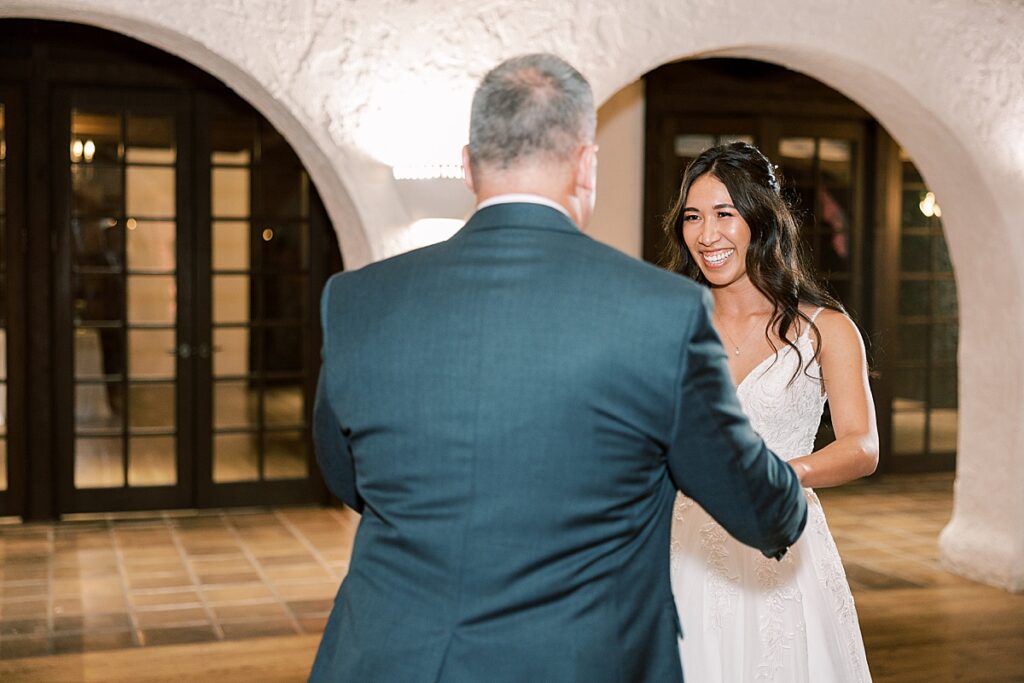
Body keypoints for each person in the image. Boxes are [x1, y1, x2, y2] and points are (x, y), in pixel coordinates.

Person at [310, 55, 807, 683]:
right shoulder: (661, 312)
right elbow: (760, 508)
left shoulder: (357, 300)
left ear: (467, 165)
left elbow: (345, 476)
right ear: (586, 163)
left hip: (388, 657)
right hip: (580, 660)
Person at [663, 142, 878, 682]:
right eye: (693, 216)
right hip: (682, 546)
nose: (706, 234)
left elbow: (862, 445)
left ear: (761, 219)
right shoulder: (668, 323)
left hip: (784, 548)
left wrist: (785, 475)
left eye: (723, 214)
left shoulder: (824, 329)